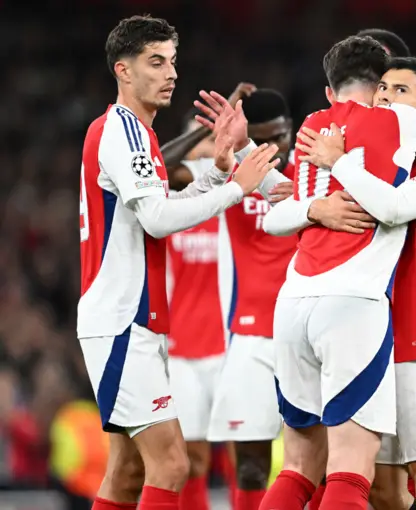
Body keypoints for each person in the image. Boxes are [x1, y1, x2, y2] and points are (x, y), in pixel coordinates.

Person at [76, 15, 281, 510]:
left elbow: (167, 198)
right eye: (155, 62)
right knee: (171, 463)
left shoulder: (137, 134)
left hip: (135, 321)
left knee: (127, 473)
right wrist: (236, 189)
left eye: (172, 61)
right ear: (123, 70)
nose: (170, 73)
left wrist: (222, 172)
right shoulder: (119, 131)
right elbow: (159, 219)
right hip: (122, 320)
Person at [266, 56, 416, 510]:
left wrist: (340, 163)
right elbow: (280, 207)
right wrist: (315, 203)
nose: (385, 97)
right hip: (373, 336)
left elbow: (393, 206)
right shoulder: (376, 158)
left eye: (400, 90)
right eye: (382, 88)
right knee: (379, 487)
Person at [163, 87, 299, 510]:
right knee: (243, 464)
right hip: (243, 334)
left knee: (320, 459)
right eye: (260, 138)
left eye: (279, 136)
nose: (272, 147)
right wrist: (211, 133)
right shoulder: (230, 172)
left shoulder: (312, 170)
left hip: (302, 328)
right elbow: (160, 169)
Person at [164, 112, 227, 510]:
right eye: (198, 143)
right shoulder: (170, 206)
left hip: (230, 345)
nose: (206, 151)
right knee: (192, 458)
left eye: (213, 142)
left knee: (246, 455)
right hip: (181, 349)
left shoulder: (235, 202)